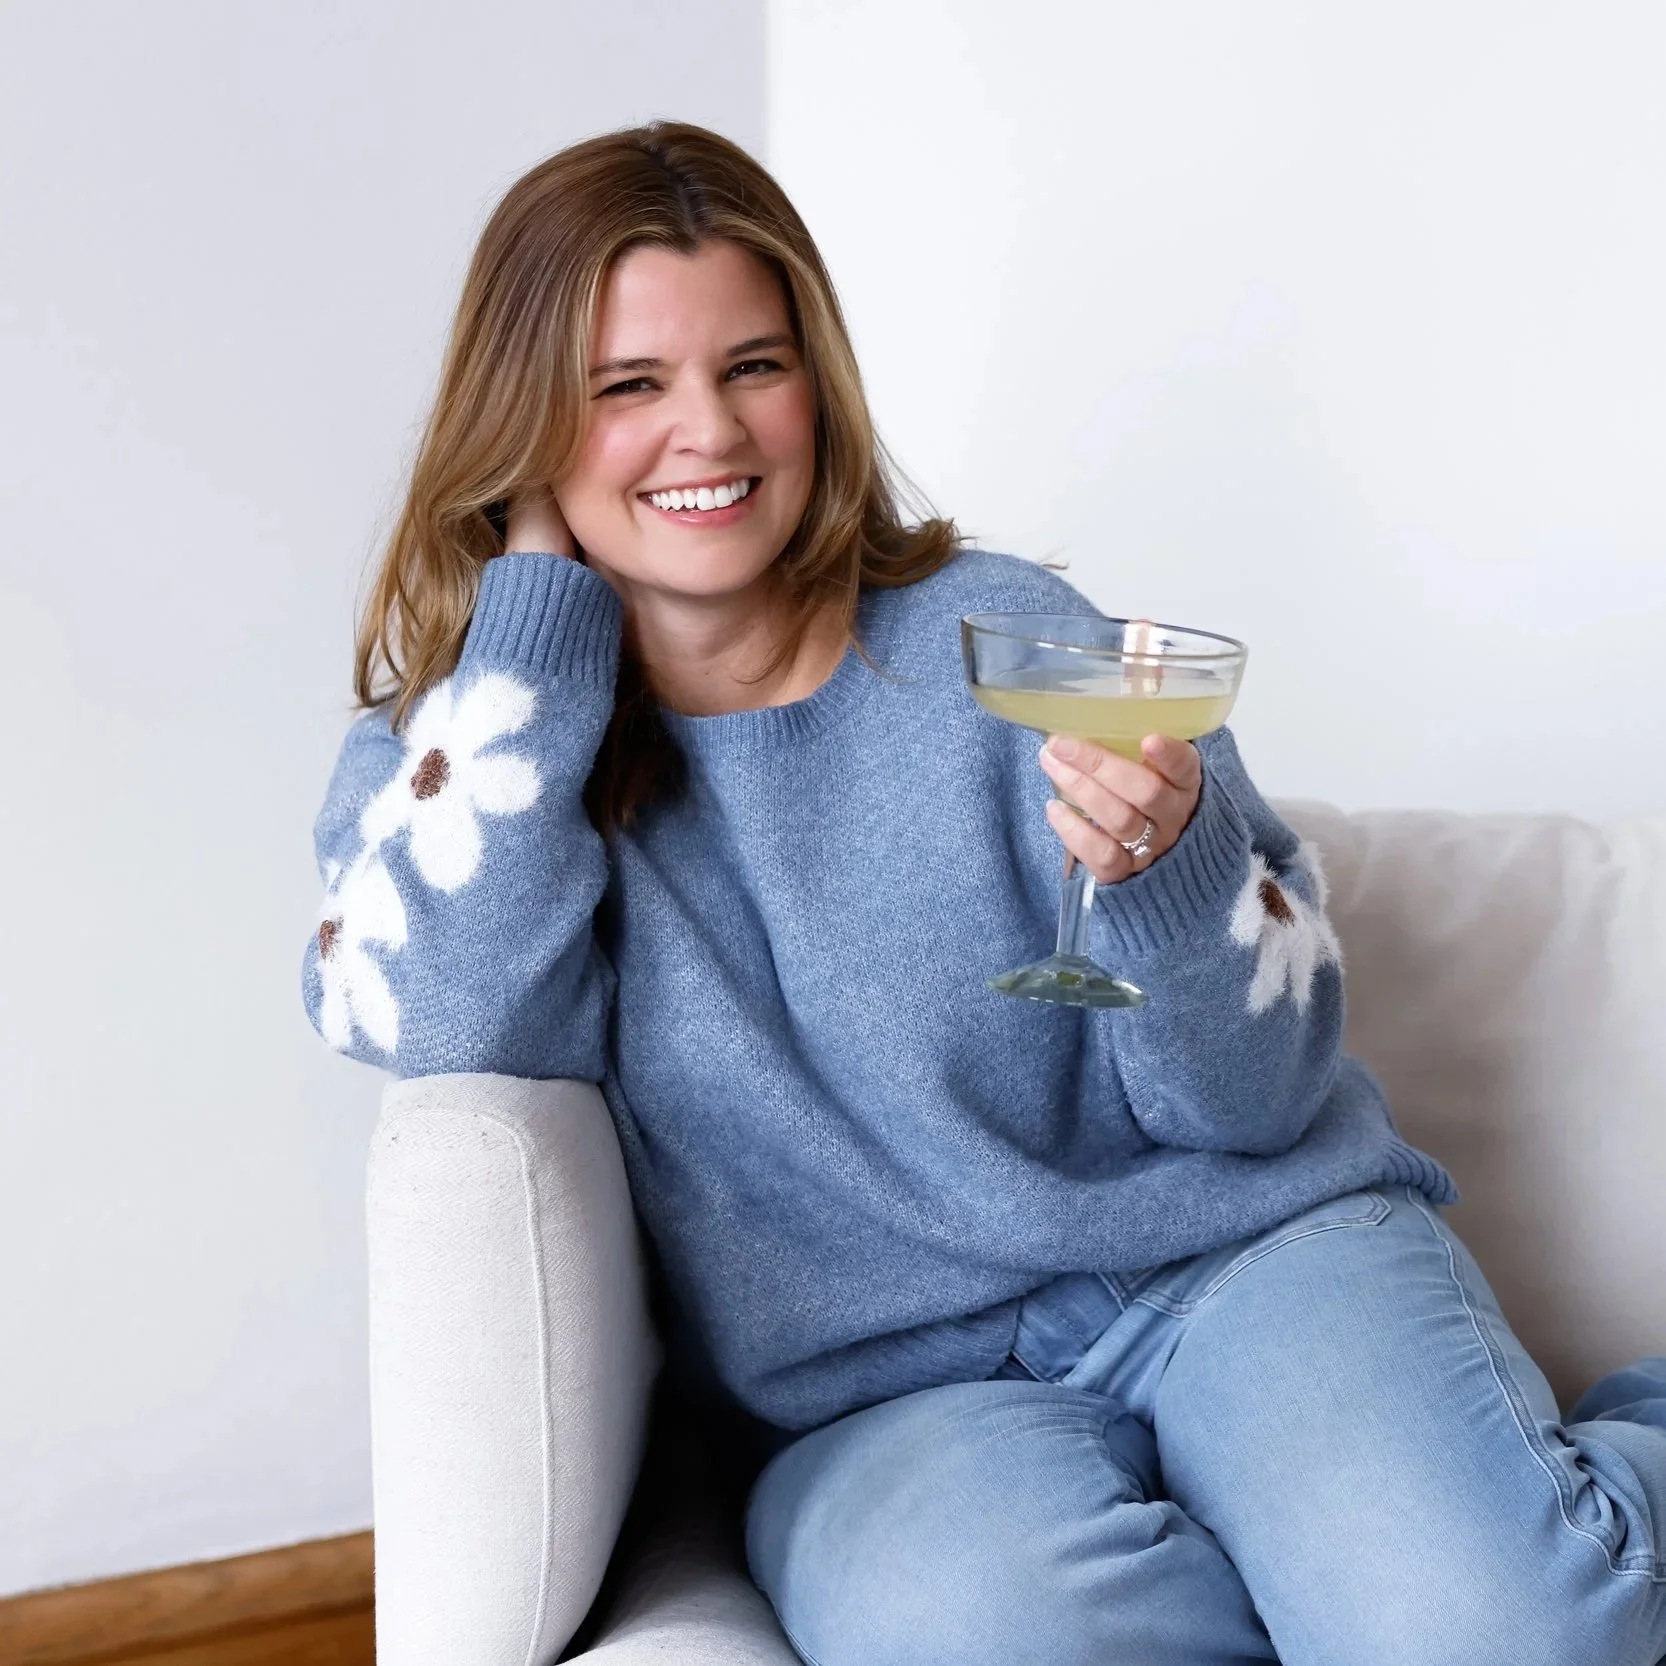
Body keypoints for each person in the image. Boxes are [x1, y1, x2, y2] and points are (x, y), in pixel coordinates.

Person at [302, 121, 1666, 1666]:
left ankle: (1588, 1489)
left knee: (1498, 1632)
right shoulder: (460, 755)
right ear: (526, 419)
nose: (709, 431)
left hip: (1237, 1260)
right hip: (881, 1398)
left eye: (754, 365)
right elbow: (439, 1021)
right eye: (627, 386)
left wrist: (1169, 873)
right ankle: (1410, 1527)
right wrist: (535, 636)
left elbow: (1259, 1099)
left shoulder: (1007, 636)